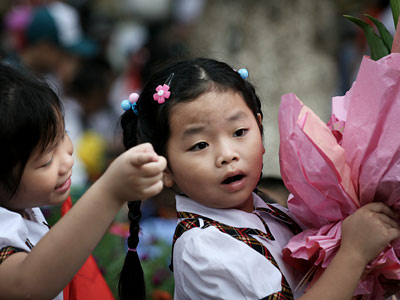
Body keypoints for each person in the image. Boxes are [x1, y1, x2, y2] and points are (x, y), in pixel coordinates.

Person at [118, 57, 400, 300]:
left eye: (239, 132)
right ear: (164, 168)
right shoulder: (201, 249)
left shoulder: (274, 214)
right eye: (200, 145)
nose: (227, 155)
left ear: (260, 128)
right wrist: (353, 253)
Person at [0, 62, 166, 300]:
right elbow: (28, 284)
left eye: (63, 136)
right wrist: (110, 192)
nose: (67, 160)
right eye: (46, 161)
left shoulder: (21, 206)